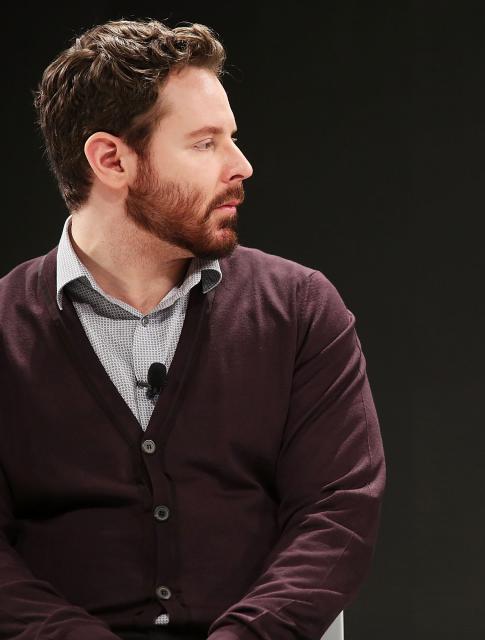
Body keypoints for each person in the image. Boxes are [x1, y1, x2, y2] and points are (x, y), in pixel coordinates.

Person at [0, 19, 385, 640]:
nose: (243, 165)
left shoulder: (301, 309)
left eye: (231, 138)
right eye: (205, 143)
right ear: (111, 159)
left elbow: (337, 515)